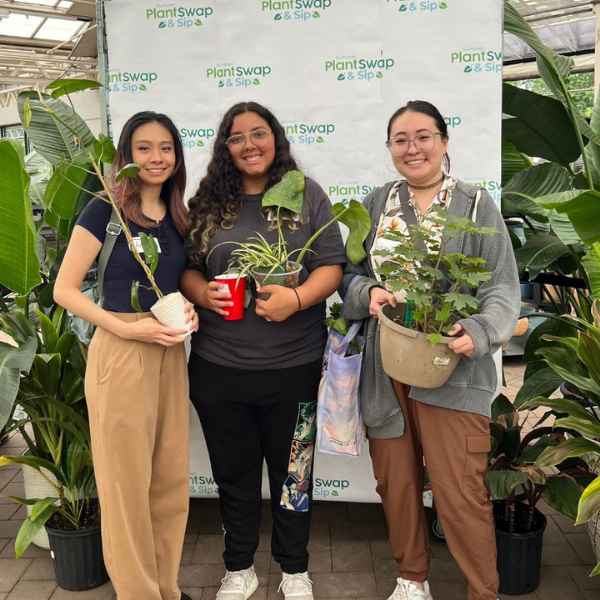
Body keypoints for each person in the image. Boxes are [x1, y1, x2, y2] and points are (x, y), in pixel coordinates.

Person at [341, 100, 520, 600]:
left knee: (460, 490)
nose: (412, 147)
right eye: (400, 139)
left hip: (453, 366)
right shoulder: (377, 204)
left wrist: (481, 331)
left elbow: (503, 287)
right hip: (388, 367)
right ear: (390, 149)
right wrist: (366, 294)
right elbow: (350, 277)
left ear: (444, 141)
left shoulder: (477, 205)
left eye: (423, 136)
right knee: (396, 485)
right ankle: (411, 578)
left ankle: (482, 590)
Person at [182, 101, 346, 600]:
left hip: (293, 367)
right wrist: (200, 292)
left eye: (259, 133)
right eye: (237, 137)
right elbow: (187, 268)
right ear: (224, 147)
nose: (249, 145)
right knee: (233, 477)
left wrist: (296, 298)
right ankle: (239, 569)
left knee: (294, 474)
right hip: (219, 370)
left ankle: (295, 569)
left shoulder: (305, 194)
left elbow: (332, 265)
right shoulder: (207, 204)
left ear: (275, 139)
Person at [54, 111, 198, 600]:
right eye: (144, 148)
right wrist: (127, 329)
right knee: (125, 489)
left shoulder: (179, 216)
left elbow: (175, 287)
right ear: (126, 156)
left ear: (177, 157)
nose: (156, 158)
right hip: (121, 354)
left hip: (169, 356)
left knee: (169, 483)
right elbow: (66, 290)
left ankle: (166, 588)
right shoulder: (105, 211)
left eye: (166, 148)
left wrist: (190, 313)